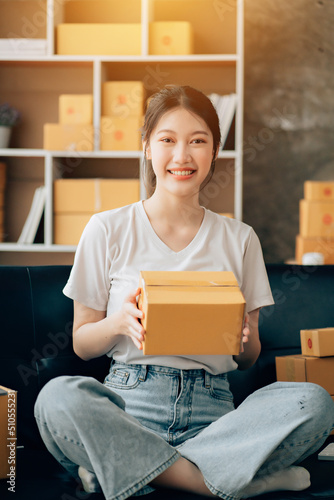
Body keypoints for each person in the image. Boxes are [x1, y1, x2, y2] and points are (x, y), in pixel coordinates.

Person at [34, 85, 334, 500]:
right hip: (130, 406)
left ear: (214, 151)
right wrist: (119, 321)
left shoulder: (240, 238)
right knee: (58, 398)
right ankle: (216, 482)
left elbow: (247, 359)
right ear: (146, 147)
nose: (182, 156)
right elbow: (83, 345)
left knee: (312, 402)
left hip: (215, 415)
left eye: (198, 141)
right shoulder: (106, 229)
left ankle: (127, 470)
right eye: (168, 140)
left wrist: (243, 341)